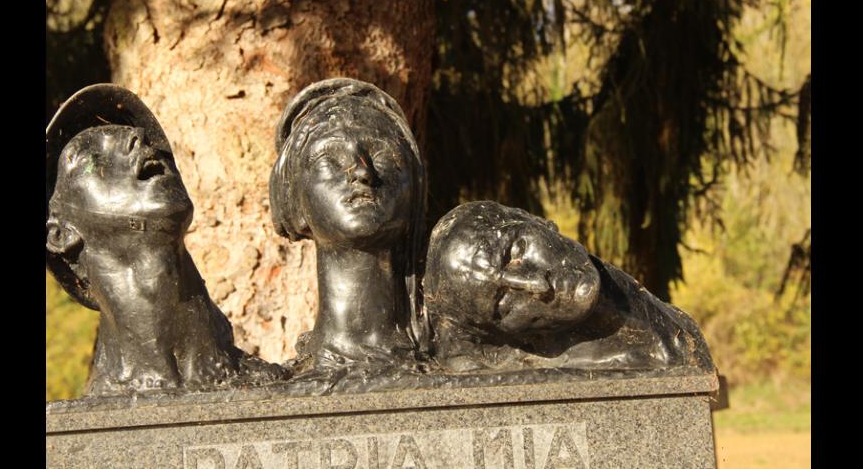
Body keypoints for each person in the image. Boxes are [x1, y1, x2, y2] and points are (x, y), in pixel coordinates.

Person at [46, 84, 285, 395]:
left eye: (136, 133)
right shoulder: (72, 433)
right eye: (90, 154)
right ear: (58, 235)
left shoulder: (294, 384)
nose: (137, 137)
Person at [423, 201, 714, 373]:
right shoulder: (594, 371)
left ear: (535, 220)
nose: (536, 285)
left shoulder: (674, 335)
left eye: (514, 252)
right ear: (510, 335)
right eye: (502, 304)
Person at [270, 78, 429, 367]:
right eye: (329, 157)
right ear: (294, 202)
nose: (362, 172)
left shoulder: (459, 343)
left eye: (383, 155)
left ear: (415, 191)